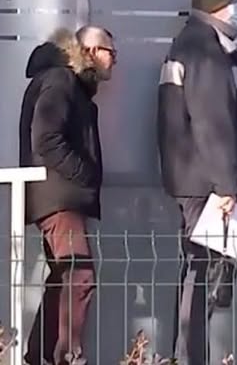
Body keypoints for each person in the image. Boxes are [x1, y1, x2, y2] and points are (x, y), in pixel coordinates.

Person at [157, 0, 237, 364]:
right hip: (206, 185)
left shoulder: (194, 45)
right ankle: (190, 356)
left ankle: (190, 353)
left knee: (199, 271)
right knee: (200, 273)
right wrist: (226, 186)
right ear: (217, 7)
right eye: (234, 4)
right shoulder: (205, 50)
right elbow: (212, 122)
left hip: (197, 180)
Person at [20, 25, 117, 365]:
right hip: (58, 197)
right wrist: (84, 174)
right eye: (111, 52)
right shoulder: (61, 80)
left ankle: (38, 356)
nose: (114, 61)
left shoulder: (69, 83)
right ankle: (68, 357)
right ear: (90, 51)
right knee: (79, 275)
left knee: (64, 277)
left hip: (57, 196)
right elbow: (46, 139)